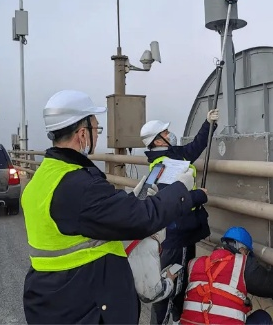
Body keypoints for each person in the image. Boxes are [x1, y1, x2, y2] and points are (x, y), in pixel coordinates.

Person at [21, 90, 208, 325]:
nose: (97, 136)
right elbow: (141, 219)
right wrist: (183, 193)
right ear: (82, 134)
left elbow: (92, 215)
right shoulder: (78, 185)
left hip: (50, 298)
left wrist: (125, 200)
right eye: (96, 130)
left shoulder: (43, 178)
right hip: (86, 303)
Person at [140, 110, 219, 324]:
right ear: (158, 139)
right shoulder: (166, 166)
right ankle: (170, 320)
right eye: (166, 131)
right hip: (178, 234)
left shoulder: (171, 156)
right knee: (174, 284)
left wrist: (208, 124)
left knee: (173, 281)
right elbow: (173, 200)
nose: (170, 133)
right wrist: (198, 195)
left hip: (176, 233)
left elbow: (194, 148)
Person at [180, 227, 273, 325]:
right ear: (242, 250)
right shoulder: (241, 263)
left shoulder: (195, 264)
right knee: (262, 318)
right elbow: (272, 286)